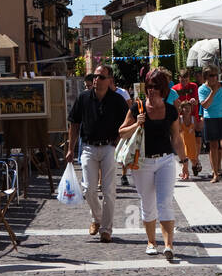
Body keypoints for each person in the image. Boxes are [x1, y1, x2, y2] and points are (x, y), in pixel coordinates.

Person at [117, 68, 188, 261]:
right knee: (148, 203)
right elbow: (122, 132)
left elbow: (176, 138)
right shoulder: (137, 108)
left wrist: (185, 161)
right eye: (148, 86)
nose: (151, 90)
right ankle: (151, 242)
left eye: (155, 87)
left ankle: (168, 245)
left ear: (163, 89)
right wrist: (137, 124)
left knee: (165, 202)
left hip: (165, 160)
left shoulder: (171, 110)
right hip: (143, 162)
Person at [66, 65, 129, 243]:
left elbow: (127, 123)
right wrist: (71, 148)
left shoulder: (117, 100)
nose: (96, 79)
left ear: (109, 80)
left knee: (109, 190)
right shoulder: (83, 98)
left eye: (101, 77)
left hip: (109, 147)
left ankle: (106, 230)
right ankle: (97, 218)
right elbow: (74, 123)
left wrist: (117, 142)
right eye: (94, 76)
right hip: (88, 147)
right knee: (88, 189)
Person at [199, 66, 222, 182]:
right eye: (211, 75)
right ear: (206, 77)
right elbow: (205, 105)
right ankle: (215, 173)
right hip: (210, 118)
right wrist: (213, 91)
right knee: (213, 145)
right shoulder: (202, 89)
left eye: (216, 75)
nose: (214, 78)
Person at [171, 68, 203, 177]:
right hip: (181, 118)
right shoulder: (175, 89)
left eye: (186, 79)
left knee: (197, 141)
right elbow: (173, 104)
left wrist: (194, 101)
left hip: (193, 116)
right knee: (183, 141)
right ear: (178, 78)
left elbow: (198, 100)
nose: (184, 82)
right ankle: (185, 167)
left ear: (189, 79)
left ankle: (195, 160)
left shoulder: (193, 86)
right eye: (182, 79)